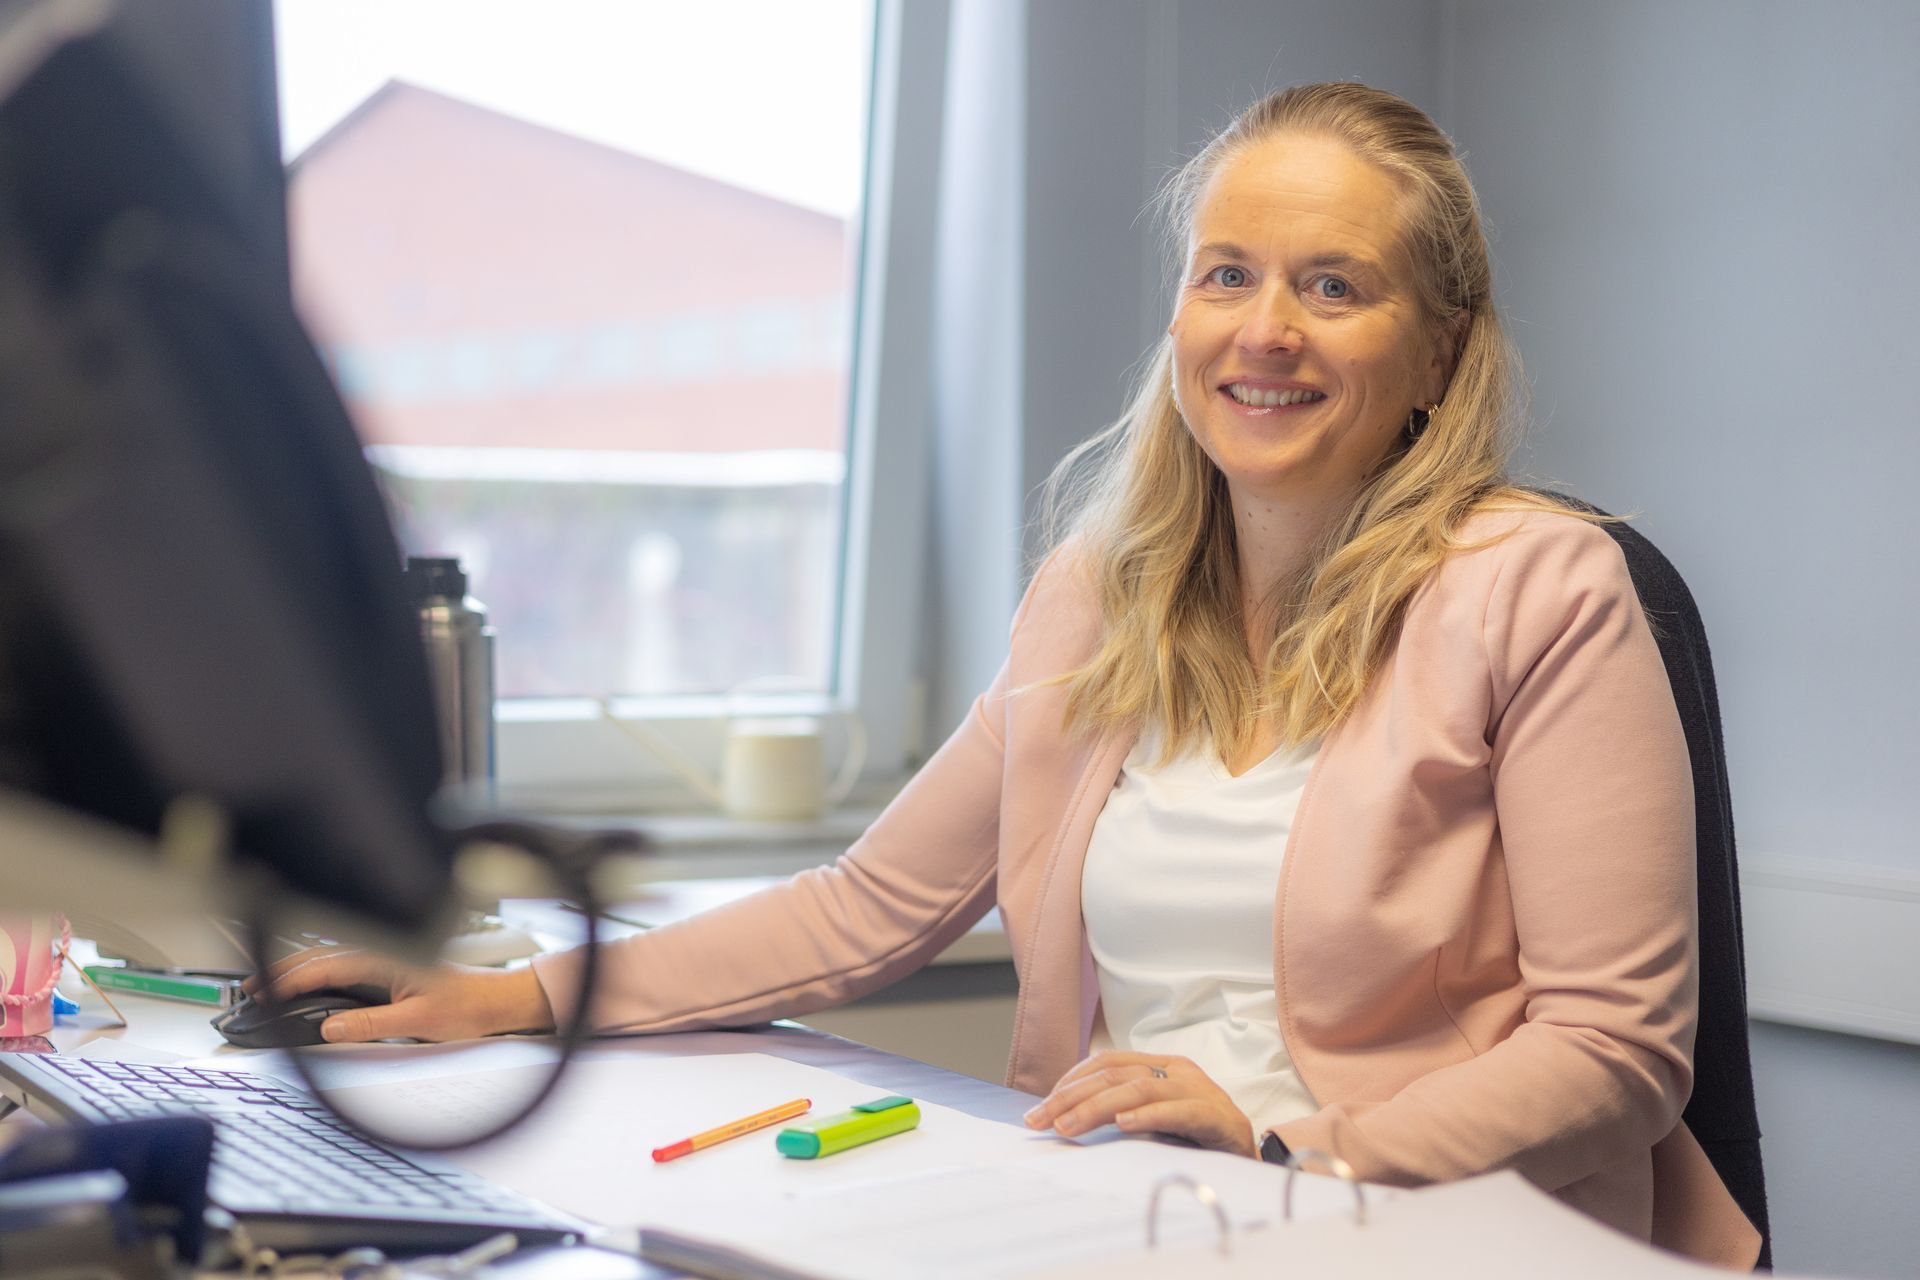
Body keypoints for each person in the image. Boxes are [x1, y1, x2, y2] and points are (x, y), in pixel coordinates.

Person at [262, 83, 1761, 1267]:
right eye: (1227, 273)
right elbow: (864, 909)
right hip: (1137, 1219)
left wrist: (1294, 1143)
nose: (1265, 330)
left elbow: (1615, 1052)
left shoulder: (1541, 589)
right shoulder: (1100, 598)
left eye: (1334, 286)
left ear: (1439, 355)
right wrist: (510, 1000)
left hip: (1425, 1229)